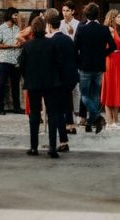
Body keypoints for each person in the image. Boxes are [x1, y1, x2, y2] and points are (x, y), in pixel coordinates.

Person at [19, 15, 63, 158]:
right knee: (52, 114)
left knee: (34, 114)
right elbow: (58, 63)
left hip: (33, 84)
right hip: (51, 83)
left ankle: (33, 146)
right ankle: (52, 147)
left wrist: (28, 77)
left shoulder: (27, 45)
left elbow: (21, 65)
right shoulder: (52, 44)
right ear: (45, 28)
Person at [74, 2, 116, 133]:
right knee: (95, 96)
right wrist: (102, 54)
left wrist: (79, 60)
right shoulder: (103, 29)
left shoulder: (81, 29)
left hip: (85, 66)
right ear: (98, 15)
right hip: (99, 66)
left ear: (87, 14)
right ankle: (91, 122)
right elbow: (113, 46)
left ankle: (95, 118)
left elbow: (75, 47)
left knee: (84, 95)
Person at [45, 8, 78, 150]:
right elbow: (75, 58)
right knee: (64, 108)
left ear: (50, 26)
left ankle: (62, 141)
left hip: (57, 81)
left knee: (56, 112)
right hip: (70, 79)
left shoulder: (51, 42)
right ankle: (63, 138)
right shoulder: (68, 40)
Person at [0, 7, 22, 116]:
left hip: (15, 61)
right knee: (1, 84)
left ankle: (16, 107)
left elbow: (20, 41)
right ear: (10, 15)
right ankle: (0, 108)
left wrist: (20, 44)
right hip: (4, 60)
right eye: (15, 15)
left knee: (16, 85)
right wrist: (10, 46)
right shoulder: (0, 29)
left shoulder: (17, 29)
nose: (17, 17)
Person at [102, 9, 120, 130]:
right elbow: (106, 47)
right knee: (110, 89)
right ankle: (109, 121)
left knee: (116, 89)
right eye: (119, 16)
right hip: (111, 62)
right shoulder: (110, 30)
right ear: (113, 18)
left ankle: (115, 120)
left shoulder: (115, 30)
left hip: (116, 61)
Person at [59, 0, 82, 126]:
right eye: (63, 10)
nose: (65, 13)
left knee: (76, 88)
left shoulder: (78, 25)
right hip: (62, 59)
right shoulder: (60, 24)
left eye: (67, 10)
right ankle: (65, 112)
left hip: (74, 58)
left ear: (73, 11)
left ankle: (77, 113)